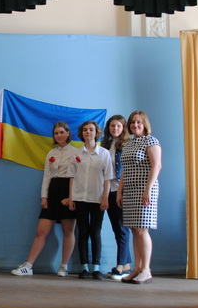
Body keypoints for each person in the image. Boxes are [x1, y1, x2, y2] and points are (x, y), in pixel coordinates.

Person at [11, 122, 77, 277]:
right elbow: (47, 176)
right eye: (56, 133)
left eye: (61, 132)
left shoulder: (76, 152)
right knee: (41, 231)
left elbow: (77, 178)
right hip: (52, 192)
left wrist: (72, 197)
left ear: (68, 133)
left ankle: (64, 266)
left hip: (68, 192)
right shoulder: (51, 153)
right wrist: (44, 196)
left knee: (68, 231)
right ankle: (28, 266)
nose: (59, 135)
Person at [117, 110, 162, 285]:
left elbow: (156, 166)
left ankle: (146, 270)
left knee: (143, 230)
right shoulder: (128, 143)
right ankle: (137, 267)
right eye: (132, 122)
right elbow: (125, 169)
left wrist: (148, 189)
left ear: (144, 124)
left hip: (145, 190)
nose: (135, 125)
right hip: (129, 190)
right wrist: (119, 191)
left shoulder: (151, 141)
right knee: (134, 230)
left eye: (138, 122)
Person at [68, 120, 114, 280]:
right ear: (82, 133)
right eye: (85, 130)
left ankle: (96, 267)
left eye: (91, 129)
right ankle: (84, 268)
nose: (88, 132)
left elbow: (108, 178)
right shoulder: (76, 154)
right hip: (80, 198)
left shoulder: (104, 154)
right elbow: (72, 177)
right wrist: (71, 197)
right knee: (82, 232)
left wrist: (105, 198)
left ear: (96, 132)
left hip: (97, 198)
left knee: (95, 232)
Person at [100, 115, 132, 280]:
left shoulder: (127, 145)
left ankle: (120, 265)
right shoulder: (105, 145)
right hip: (108, 189)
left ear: (123, 128)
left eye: (118, 126)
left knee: (122, 229)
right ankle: (126, 265)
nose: (115, 129)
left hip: (122, 189)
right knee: (116, 229)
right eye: (112, 126)